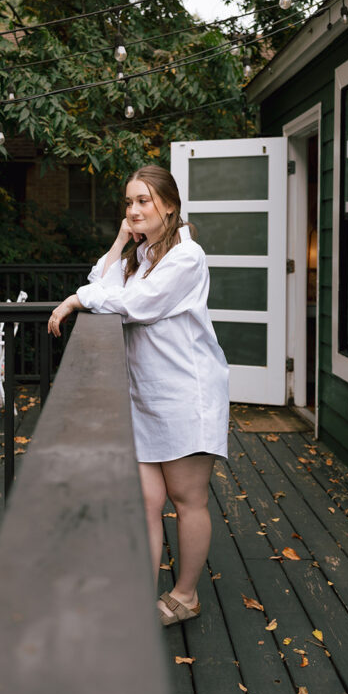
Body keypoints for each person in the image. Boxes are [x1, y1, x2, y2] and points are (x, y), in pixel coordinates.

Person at [48, 165, 229, 626]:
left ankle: (184, 596)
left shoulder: (186, 257)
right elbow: (101, 282)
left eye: (144, 201)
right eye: (129, 202)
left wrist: (74, 301)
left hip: (186, 394)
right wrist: (120, 243)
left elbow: (136, 305)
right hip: (146, 396)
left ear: (170, 205)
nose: (133, 210)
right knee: (146, 502)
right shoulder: (143, 254)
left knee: (188, 500)